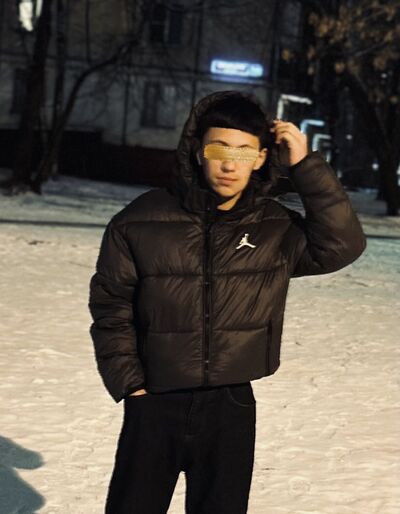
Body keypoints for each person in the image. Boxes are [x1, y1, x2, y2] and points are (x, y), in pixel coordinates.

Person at [88, 90, 366, 513]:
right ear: (198, 150)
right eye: (218, 148)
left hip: (230, 406)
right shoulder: (139, 221)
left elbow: (341, 245)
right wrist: (131, 385)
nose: (229, 164)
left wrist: (306, 166)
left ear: (261, 158)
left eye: (244, 151)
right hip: (154, 400)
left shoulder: (274, 227)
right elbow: (112, 306)